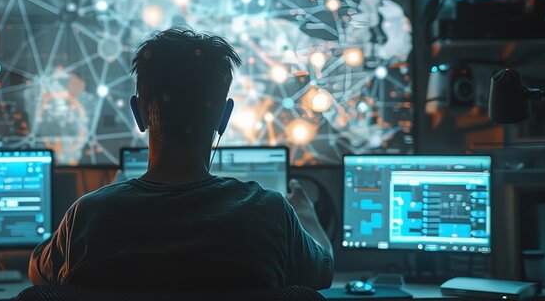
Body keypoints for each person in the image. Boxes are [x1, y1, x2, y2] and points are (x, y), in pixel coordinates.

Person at [29, 27, 333, 290]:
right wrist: (305, 212)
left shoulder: (88, 217)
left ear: (138, 113)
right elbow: (323, 270)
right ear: (224, 117)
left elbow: (37, 273)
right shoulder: (271, 214)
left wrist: (109, 196)